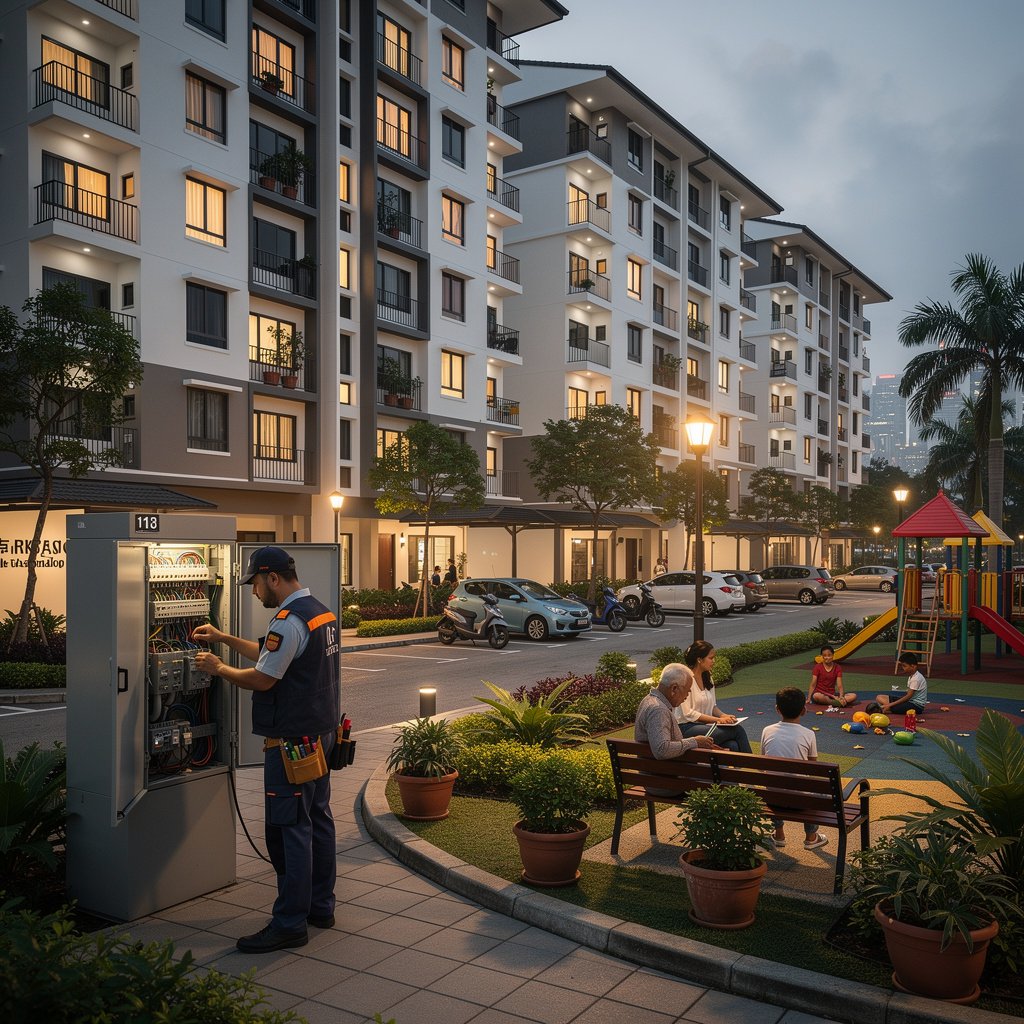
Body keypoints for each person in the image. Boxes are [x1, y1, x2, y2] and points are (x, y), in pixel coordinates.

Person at [194, 546, 340, 954]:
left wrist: (217, 667)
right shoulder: (319, 612)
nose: (255, 592)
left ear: (272, 578)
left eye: (256, 584)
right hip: (320, 736)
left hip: (292, 743)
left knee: (288, 830)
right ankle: (320, 908)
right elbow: (273, 656)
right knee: (317, 820)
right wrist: (224, 639)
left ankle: (290, 923)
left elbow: (264, 678)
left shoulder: (289, 620)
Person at [761, 687, 828, 850]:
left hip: (774, 798)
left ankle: (779, 834)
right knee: (816, 788)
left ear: (778, 709)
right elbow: (812, 769)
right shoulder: (808, 734)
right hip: (800, 801)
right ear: (804, 711)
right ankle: (811, 837)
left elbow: (763, 764)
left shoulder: (767, 731)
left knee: (774, 781)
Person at [635, 663, 718, 793]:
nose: (688, 695)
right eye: (687, 690)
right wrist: (694, 741)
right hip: (664, 784)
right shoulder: (658, 710)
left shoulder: (649, 700)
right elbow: (662, 750)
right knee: (724, 778)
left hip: (657, 777)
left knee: (718, 769)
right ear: (674, 688)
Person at [676, 640, 753, 753]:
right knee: (737, 730)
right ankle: (755, 768)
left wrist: (725, 716)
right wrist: (719, 720)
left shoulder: (708, 678)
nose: (714, 661)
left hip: (706, 726)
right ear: (699, 660)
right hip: (686, 728)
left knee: (733, 745)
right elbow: (689, 713)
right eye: (711, 658)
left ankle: (735, 771)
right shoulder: (686, 680)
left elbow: (713, 707)